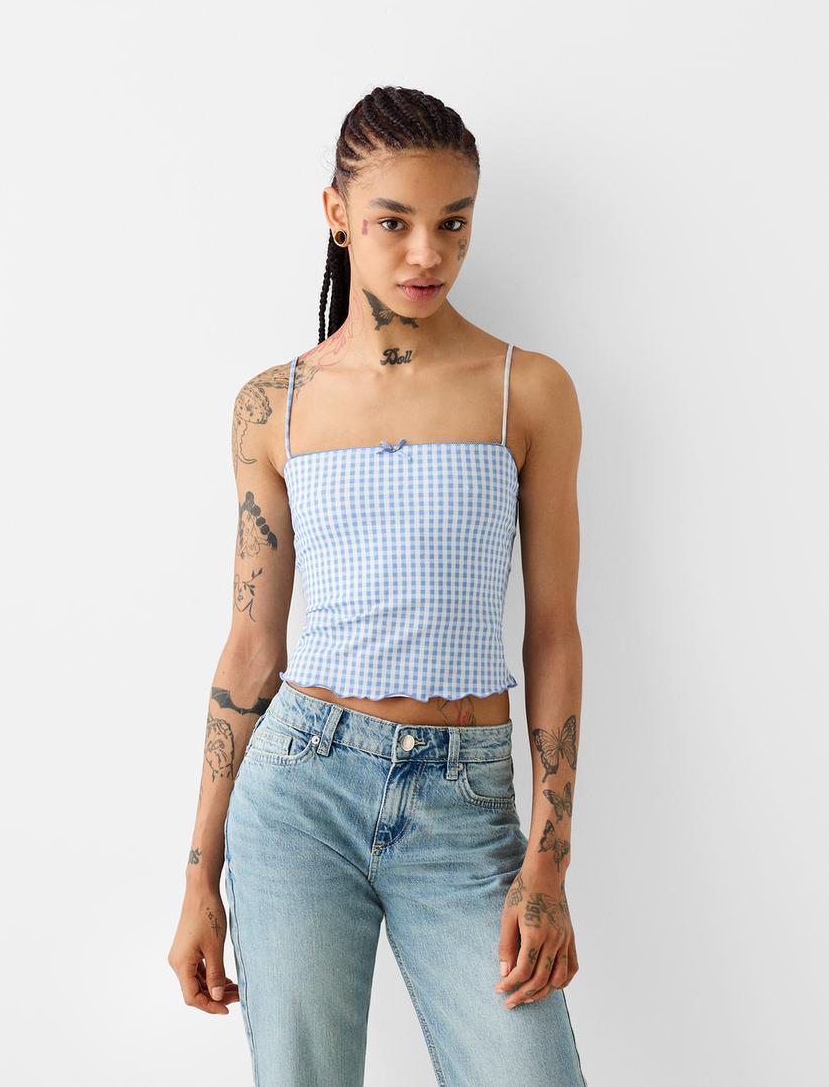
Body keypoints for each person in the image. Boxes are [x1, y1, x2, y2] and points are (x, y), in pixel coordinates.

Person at [168, 85, 588, 1087]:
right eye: (393, 223)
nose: (426, 254)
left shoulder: (526, 390)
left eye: (454, 223)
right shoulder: (274, 406)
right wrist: (198, 879)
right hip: (298, 792)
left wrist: (548, 858)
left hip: (463, 799)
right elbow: (251, 646)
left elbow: (553, 635)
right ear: (337, 214)